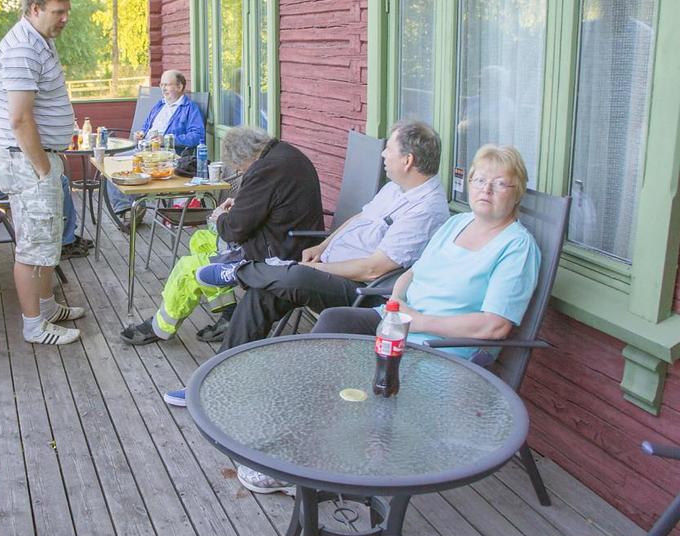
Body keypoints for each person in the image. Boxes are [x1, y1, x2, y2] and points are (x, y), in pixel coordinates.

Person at [238, 144, 541, 495]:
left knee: (340, 369)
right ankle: (300, 445)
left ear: (516, 192)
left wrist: (418, 320)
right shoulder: (458, 223)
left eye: (499, 183)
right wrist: (397, 299)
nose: (485, 190)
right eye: (478, 179)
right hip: (399, 326)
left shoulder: (517, 247)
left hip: (442, 350)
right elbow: (413, 272)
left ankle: (316, 472)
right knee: (333, 327)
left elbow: (494, 326)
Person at [162, 120, 449, 407]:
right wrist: (323, 246)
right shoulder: (396, 189)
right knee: (261, 294)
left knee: (292, 277)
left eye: (388, 149)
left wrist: (317, 269)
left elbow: (374, 269)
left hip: (362, 290)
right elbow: (359, 219)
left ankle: (241, 271)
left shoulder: (425, 209)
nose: (383, 155)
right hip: (328, 264)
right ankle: (217, 381)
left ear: (408, 160)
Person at [119, 126, 324, 345]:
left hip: (278, 253)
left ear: (246, 157)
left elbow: (234, 228)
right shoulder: (284, 154)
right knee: (200, 240)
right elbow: (272, 203)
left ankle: (160, 327)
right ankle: (228, 313)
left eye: (239, 167)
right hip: (288, 238)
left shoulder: (265, 170)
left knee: (189, 268)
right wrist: (240, 204)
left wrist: (219, 217)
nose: (241, 171)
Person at [0, 0, 86, 346]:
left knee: (47, 239)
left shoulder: (38, 41)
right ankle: (34, 325)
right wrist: (44, 169)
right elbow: (19, 118)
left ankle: (46, 307)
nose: (64, 18)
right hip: (26, 160)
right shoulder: (22, 49)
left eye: (66, 11)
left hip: (37, 158)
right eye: (58, 12)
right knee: (33, 245)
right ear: (34, 9)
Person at [0, 86, 91, 259]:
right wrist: (23, 164)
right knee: (56, 180)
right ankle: (65, 241)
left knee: (55, 176)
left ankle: (67, 237)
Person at [107, 70, 206, 225]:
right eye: (161, 84)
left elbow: (198, 137)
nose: (163, 88)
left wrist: (165, 138)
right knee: (113, 163)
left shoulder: (189, 108)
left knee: (126, 163)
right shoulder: (159, 105)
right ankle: (128, 208)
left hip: (165, 156)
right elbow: (146, 127)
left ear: (179, 87)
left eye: (167, 84)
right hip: (145, 150)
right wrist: (141, 133)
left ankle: (133, 208)